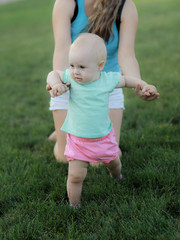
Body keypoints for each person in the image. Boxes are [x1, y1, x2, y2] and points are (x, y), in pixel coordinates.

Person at [47, 33, 159, 208]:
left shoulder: (106, 80)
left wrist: (143, 85)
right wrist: (55, 84)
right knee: (75, 176)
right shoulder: (71, 78)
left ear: (100, 66)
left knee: (113, 164)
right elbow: (53, 73)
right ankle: (74, 206)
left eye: (82, 66)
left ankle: (117, 176)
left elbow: (127, 80)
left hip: (103, 139)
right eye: (72, 65)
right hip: (78, 140)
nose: (75, 70)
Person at [46, 0, 159, 163]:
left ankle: (70, 128)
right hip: (73, 83)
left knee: (103, 159)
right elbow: (62, 49)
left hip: (107, 85)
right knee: (65, 158)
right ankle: (64, 131)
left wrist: (139, 86)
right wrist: (61, 84)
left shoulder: (125, 7)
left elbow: (127, 55)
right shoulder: (67, 3)